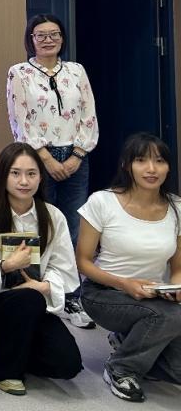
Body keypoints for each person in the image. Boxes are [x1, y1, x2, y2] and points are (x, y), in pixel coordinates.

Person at [0, 143, 82, 396]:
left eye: (31, 174)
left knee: (68, 364)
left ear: (41, 177)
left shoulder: (53, 217)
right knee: (26, 299)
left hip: (37, 299)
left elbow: (64, 268)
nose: (24, 181)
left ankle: (14, 347)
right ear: (3, 175)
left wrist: (44, 286)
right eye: (15, 173)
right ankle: (4, 370)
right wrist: (5, 266)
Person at [7, 13, 98, 328]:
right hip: (36, 159)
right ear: (31, 39)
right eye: (41, 35)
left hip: (76, 156)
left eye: (54, 34)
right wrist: (46, 159)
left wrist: (77, 155)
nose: (48, 40)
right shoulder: (19, 72)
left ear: (62, 38)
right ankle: (34, 293)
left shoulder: (76, 70)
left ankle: (70, 296)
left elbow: (88, 114)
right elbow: (20, 119)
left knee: (71, 228)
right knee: (36, 226)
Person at [76, 133, 181, 403]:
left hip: (156, 297)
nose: (151, 169)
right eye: (141, 160)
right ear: (127, 165)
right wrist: (125, 283)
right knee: (171, 317)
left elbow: (178, 267)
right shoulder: (102, 202)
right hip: (105, 293)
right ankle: (121, 368)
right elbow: (83, 262)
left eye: (159, 161)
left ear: (168, 167)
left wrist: (176, 288)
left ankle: (129, 342)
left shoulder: (177, 207)